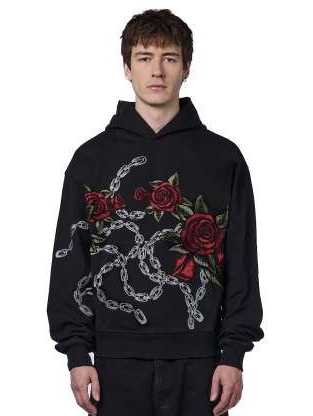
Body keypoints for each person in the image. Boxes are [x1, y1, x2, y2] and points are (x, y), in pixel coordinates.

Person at [47, 8, 264, 416]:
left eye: (170, 58)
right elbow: (71, 260)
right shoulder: (90, 159)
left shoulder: (223, 159)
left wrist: (234, 354)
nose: (157, 71)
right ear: (127, 68)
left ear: (187, 68)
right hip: (113, 365)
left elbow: (241, 261)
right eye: (145, 57)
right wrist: (76, 353)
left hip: (202, 364)